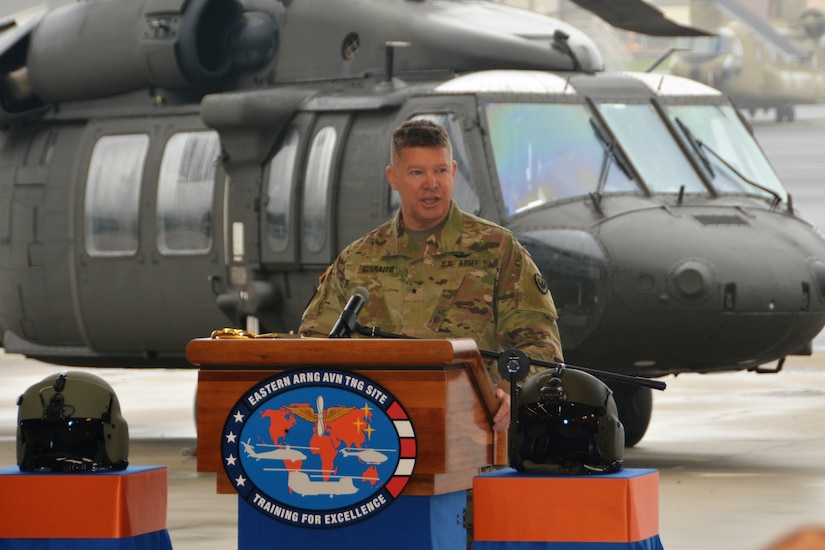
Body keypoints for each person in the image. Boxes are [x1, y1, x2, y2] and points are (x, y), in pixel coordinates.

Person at [299, 119, 563, 432]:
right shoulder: (358, 260)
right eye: (416, 173)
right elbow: (312, 347)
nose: (431, 183)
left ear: (453, 172)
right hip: (371, 433)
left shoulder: (496, 250)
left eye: (439, 171)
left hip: (468, 435)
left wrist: (512, 391)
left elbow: (540, 345)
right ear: (393, 178)